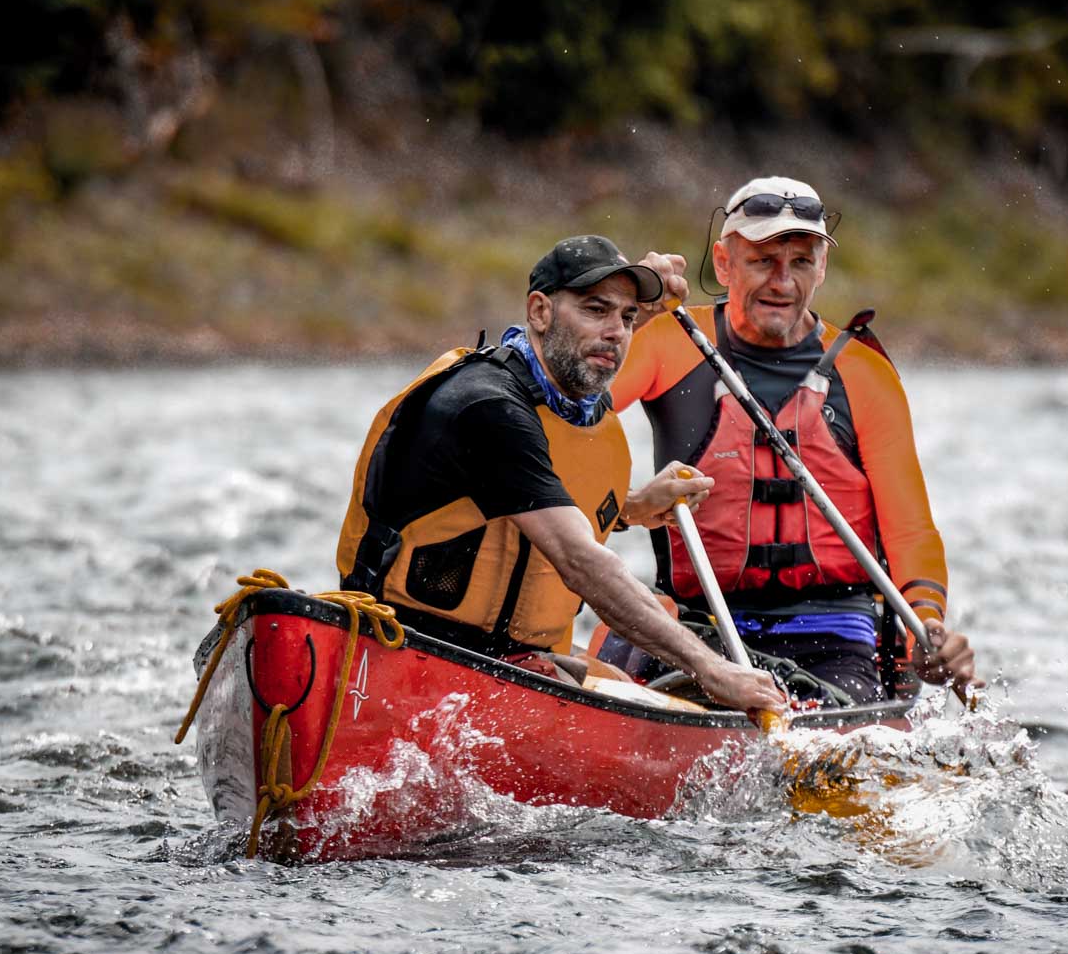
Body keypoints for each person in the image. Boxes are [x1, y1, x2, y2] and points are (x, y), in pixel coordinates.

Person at [335, 234, 787, 715]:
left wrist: (631, 509)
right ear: (539, 312)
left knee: (682, 697)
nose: (616, 332)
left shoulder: (574, 404)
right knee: (701, 679)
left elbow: (519, 503)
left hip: (516, 662)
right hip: (408, 652)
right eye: (596, 310)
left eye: (628, 317)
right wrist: (713, 671)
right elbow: (579, 558)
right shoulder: (486, 406)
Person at [607, 177, 981, 705]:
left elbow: (911, 530)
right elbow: (569, 411)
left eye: (802, 262)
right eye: (763, 260)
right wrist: (629, 310)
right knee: (608, 665)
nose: (783, 281)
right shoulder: (667, 342)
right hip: (695, 626)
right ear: (723, 263)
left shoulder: (864, 374)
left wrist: (928, 626)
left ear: (821, 268)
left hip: (832, 634)